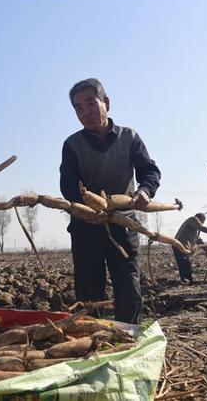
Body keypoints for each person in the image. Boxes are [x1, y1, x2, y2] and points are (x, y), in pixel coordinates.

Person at [60, 78, 161, 324]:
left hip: (123, 223)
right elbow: (68, 186)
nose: (85, 112)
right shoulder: (72, 145)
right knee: (89, 290)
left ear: (106, 102)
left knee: (128, 285)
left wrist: (145, 192)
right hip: (86, 226)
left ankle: (129, 337)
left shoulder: (130, 137)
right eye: (78, 108)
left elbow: (150, 171)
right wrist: (89, 207)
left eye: (90, 103)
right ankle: (92, 338)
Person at [173, 213, 207, 284]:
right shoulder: (193, 219)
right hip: (178, 244)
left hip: (183, 246)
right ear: (201, 219)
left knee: (185, 263)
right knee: (184, 263)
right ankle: (186, 280)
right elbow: (202, 228)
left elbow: (199, 241)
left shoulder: (195, 229)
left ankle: (188, 280)